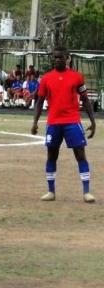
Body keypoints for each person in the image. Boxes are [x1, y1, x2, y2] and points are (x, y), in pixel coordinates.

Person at [31, 46, 96, 203]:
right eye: (55, 57)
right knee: (51, 155)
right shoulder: (46, 78)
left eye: (60, 57)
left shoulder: (77, 77)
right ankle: (51, 191)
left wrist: (93, 122)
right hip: (53, 123)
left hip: (72, 122)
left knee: (80, 155)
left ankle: (87, 192)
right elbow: (40, 101)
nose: (57, 60)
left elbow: (85, 100)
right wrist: (35, 122)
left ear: (68, 59)